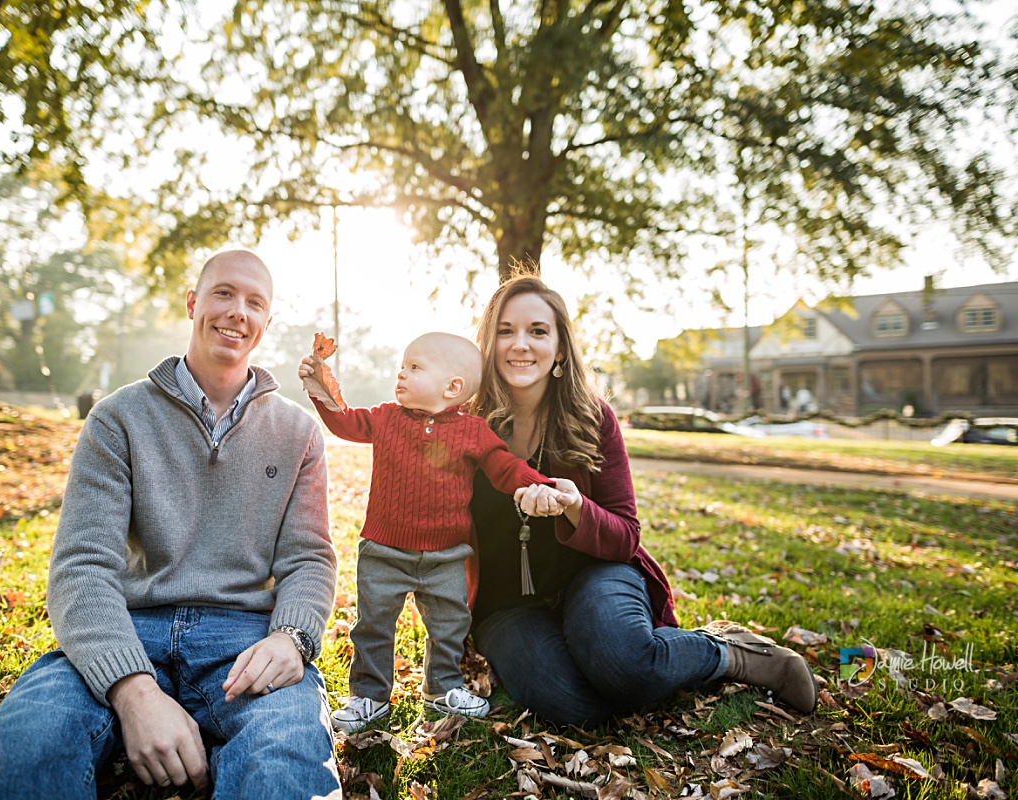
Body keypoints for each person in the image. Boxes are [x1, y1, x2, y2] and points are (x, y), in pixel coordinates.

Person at [0, 250, 340, 799]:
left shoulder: (299, 433)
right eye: (223, 293)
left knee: (285, 758)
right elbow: (83, 565)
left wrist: (292, 637)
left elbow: (309, 557)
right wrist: (132, 689)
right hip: (129, 625)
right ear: (192, 303)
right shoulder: (118, 418)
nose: (238, 311)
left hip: (245, 639)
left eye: (254, 303)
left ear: (266, 324)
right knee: (29, 737)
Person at [466, 273, 818, 728]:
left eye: (538, 331)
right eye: (505, 330)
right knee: (578, 707)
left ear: (559, 348)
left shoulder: (592, 419)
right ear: (487, 342)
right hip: (507, 606)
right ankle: (598, 654)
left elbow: (625, 536)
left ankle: (732, 652)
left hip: (592, 572)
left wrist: (576, 508)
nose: (521, 345)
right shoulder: (464, 426)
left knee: (627, 666)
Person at [298, 332, 555, 733]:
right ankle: (370, 695)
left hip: (446, 555)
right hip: (384, 550)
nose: (401, 373)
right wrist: (320, 387)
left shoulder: (472, 431)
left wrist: (536, 485)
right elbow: (345, 421)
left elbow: (505, 467)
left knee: (449, 624)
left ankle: (442, 687)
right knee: (373, 625)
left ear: (452, 387)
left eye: (415, 367)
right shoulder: (386, 418)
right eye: (403, 365)